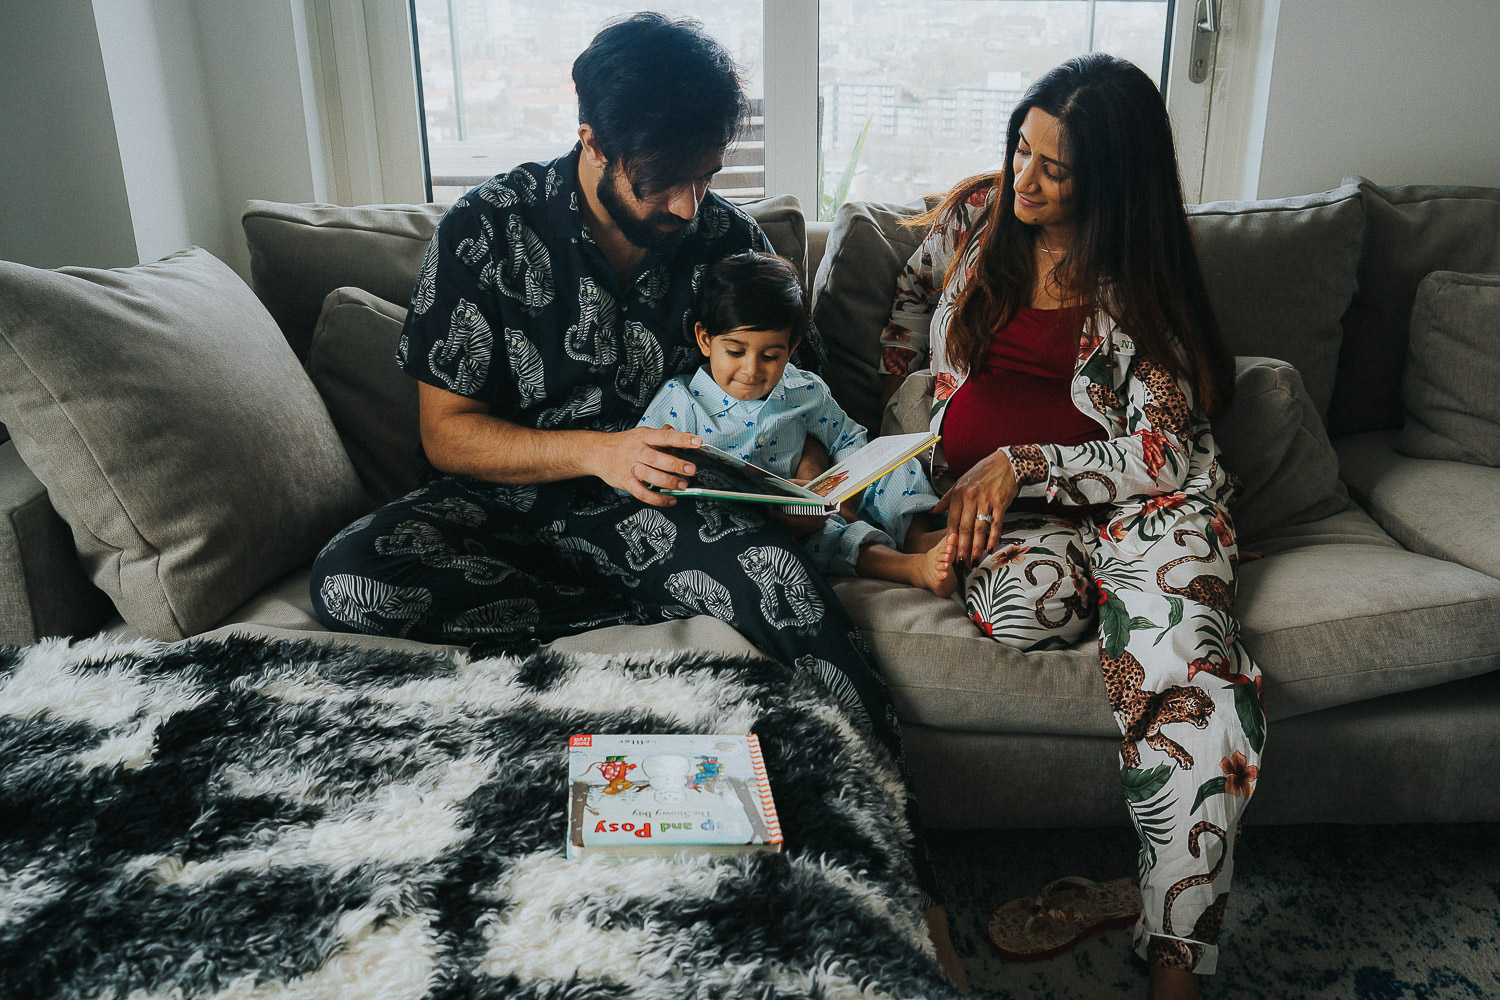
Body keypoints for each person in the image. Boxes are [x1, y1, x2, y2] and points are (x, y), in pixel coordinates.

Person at [307, 12, 967, 989]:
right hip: (510, 509)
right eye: (664, 180)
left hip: (678, 518)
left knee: (783, 588)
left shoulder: (730, 243)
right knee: (350, 582)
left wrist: (819, 498)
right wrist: (597, 451)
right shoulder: (486, 231)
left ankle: (919, 896)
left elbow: (801, 416)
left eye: (706, 173)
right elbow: (447, 432)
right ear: (593, 143)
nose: (689, 200)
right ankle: (688, 602)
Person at [880, 53, 1264, 1000]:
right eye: (1022, 148)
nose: (1025, 179)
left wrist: (1030, 458)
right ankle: (1145, 881)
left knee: (1188, 683)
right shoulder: (976, 221)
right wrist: (909, 421)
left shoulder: (1142, 271)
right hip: (1015, 520)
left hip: (1148, 508)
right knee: (1023, 612)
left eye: (1055, 168)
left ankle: (1178, 956)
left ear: (1113, 181)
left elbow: (1166, 452)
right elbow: (910, 301)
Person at [639, 250, 957, 595]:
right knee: (828, 538)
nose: (751, 370)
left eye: (770, 356)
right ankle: (911, 568)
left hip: (809, 503)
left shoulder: (803, 390)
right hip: (746, 529)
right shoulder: (679, 401)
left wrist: (838, 495)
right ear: (705, 339)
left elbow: (848, 441)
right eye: (735, 352)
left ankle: (917, 536)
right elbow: (639, 469)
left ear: (791, 350)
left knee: (891, 460)